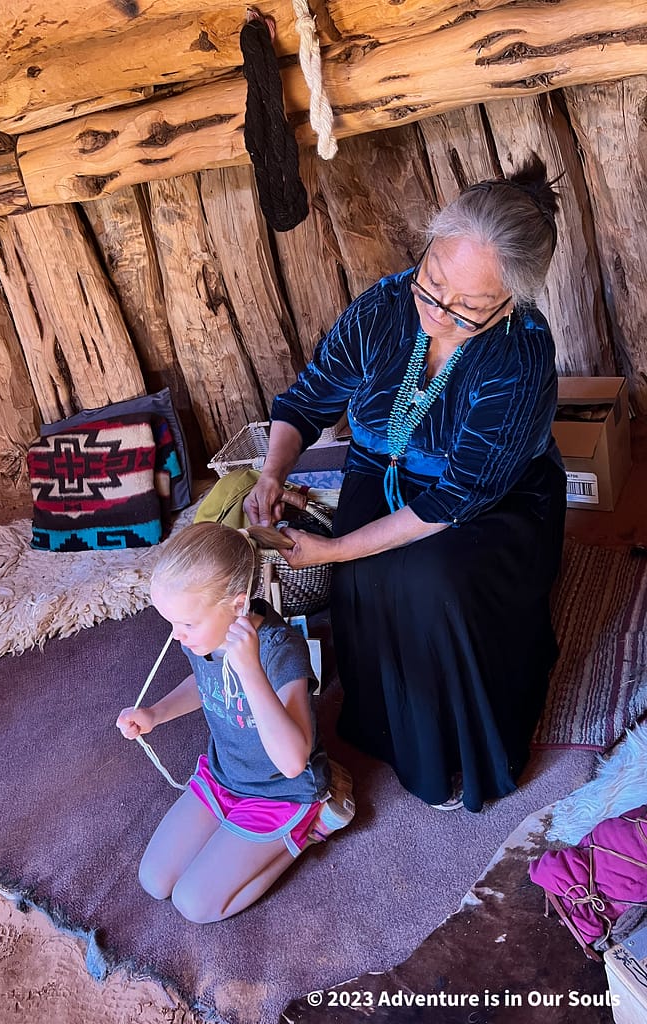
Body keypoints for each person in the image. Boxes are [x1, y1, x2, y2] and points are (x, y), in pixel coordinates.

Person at [244, 153, 567, 814]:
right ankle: (386, 726)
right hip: (379, 467)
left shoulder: (521, 354)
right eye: (431, 283)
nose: (439, 313)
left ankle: (462, 749)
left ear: (513, 303)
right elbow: (306, 402)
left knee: (430, 582)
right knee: (364, 576)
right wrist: (272, 472)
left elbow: (454, 499)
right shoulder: (386, 308)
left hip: (489, 499)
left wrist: (334, 547)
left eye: (468, 308)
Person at [116, 521, 342, 923]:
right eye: (171, 622)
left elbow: (292, 761)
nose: (177, 636)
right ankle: (243, 830)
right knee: (155, 879)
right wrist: (155, 714)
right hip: (225, 777)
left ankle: (309, 827)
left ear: (238, 606)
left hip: (281, 791)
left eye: (186, 623)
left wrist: (249, 668)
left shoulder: (279, 652)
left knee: (195, 904)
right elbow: (203, 685)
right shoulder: (204, 635)